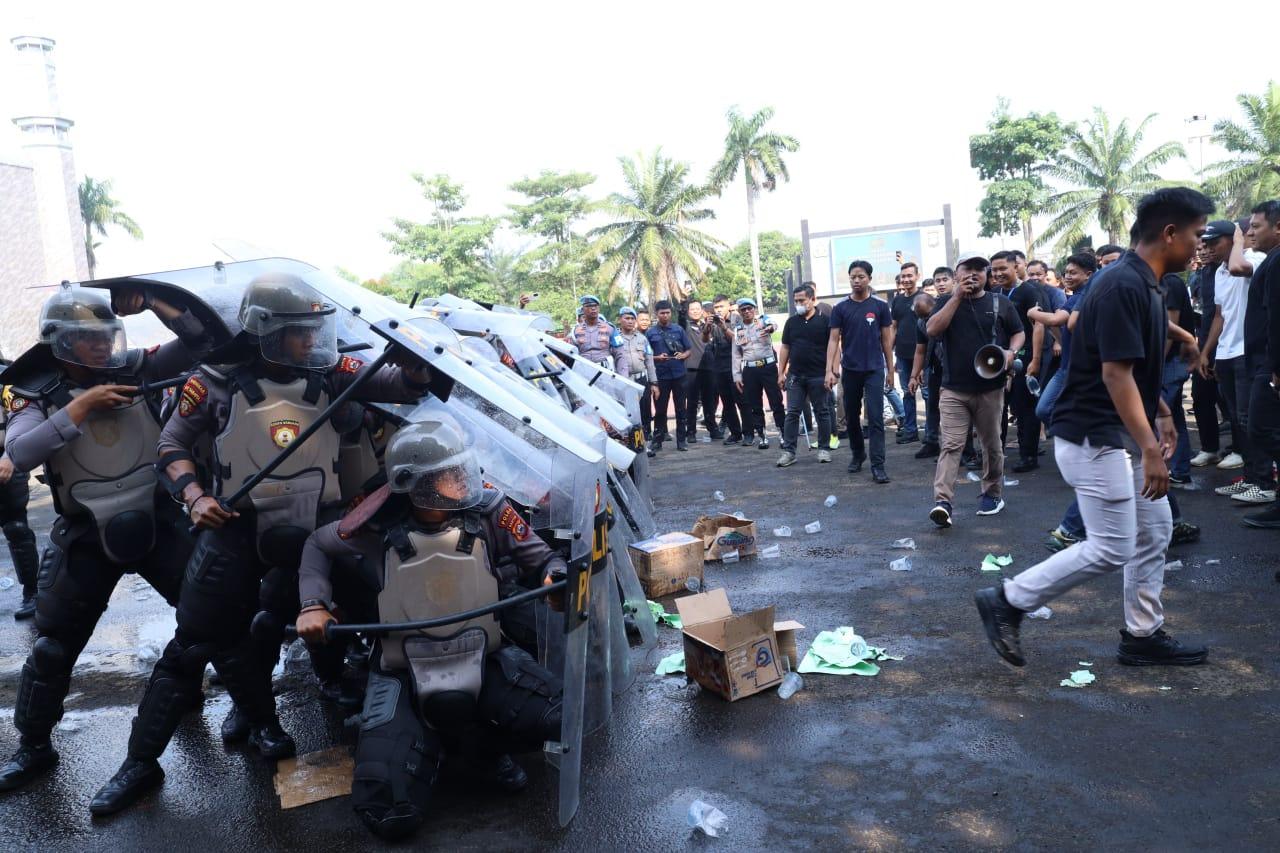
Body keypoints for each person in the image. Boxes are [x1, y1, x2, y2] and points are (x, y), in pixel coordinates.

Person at [90, 274, 435, 815]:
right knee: (194, 643)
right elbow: (172, 443)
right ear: (265, 331)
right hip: (236, 527)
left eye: (314, 330)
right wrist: (194, 495)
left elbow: (401, 384)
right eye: (300, 332)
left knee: (390, 611)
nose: (311, 341)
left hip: (321, 530)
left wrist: (418, 359)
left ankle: (434, 733)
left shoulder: (332, 369)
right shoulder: (214, 379)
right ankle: (142, 760)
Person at [975, 187, 1215, 668]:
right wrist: (1150, 446)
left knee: (1155, 529)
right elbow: (1115, 372)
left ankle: (1142, 635)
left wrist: (1166, 399)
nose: (1198, 245)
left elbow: (1123, 345)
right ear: (1169, 234)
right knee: (1111, 546)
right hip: (1092, 436)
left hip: (1112, 434)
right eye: (1195, 234)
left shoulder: (1142, 282)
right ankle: (1009, 599)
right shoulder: (1124, 283)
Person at [293, 420, 565, 840]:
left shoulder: (489, 510)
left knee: (557, 715)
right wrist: (313, 604)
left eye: (461, 469)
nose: (462, 479)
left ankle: (483, 751)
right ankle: (423, 750)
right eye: (448, 474)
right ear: (412, 484)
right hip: (402, 671)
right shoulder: (372, 527)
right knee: (389, 813)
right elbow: (317, 545)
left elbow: (544, 559)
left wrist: (554, 578)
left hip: (482, 655)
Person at [0, 284, 210, 791]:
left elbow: (200, 344)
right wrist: (82, 405)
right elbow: (20, 452)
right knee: (52, 650)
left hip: (157, 518)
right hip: (87, 531)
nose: (99, 346)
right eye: (85, 338)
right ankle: (33, 747)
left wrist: (156, 304)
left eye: (103, 335)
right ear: (60, 342)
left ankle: (178, 711)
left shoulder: (137, 368)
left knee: (207, 623)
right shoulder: (36, 390)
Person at [924, 254, 1023, 526]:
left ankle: (992, 494)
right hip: (953, 389)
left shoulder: (1000, 302)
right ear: (957, 274)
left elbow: (1018, 332)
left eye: (979, 269)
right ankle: (942, 502)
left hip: (990, 389)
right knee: (952, 445)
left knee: (992, 445)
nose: (973, 274)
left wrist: (1011, 352)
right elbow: (932, 330)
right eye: (967, 269)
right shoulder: (945, 302)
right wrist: (956, 297)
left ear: (987, 274)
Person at [1199, 220, 1269, 498]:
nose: (1209, 248)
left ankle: (1264, 483)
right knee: (1238, 422)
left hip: (1247, 353)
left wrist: (1240, 241)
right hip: (1226, 353)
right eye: (1207, 243)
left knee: (1251, 420)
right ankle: (1251, 478)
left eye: (1215, 242)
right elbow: (1220, 315)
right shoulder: (1218, 272)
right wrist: (1207, 352)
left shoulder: (1255, 258)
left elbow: (1239, 268)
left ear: (1233, 238)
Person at [827, 260, 894, 483]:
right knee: (851, 416)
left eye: (861, 277)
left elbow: (886, 339)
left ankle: (878, 465)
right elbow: (834, 340)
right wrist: (830, 370)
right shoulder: (840, 308)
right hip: (851, 370)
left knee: (875, 417)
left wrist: (890, 370)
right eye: (853, 277)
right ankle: (858, 454)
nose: (857, 281)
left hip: (875, 369)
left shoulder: (880, 306)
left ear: (869, 279)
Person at [1241, 199, 1280, 528]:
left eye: (1256, 226)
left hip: (1271, 364)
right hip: (1264, 360)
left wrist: (1276, 367)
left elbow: (1277, 319)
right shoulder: (1272, 260)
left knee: (1261, 428)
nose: (1249, 232)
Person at [992, 251, 1046, 473]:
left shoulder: (1029, 291)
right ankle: (996, 453)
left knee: (1024, 408)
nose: (998, 273)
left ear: (1016, 267)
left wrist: (1035, 360)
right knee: (996, 408)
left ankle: (1028, 456)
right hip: (998, 359)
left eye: (1003, 268)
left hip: (1024, 359)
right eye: (994, 270)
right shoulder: (994, 293)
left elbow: (1039, 325)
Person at [776, 284, 832, 467]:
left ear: (812, 300)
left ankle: (824, 449)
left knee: (822, 412)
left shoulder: (825, 321)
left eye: (802, 300)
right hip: (796, 376)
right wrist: (781, 373)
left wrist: (831, 371)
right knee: (792, 413)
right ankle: (789, 452)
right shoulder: (791, 322)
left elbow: (834, 347)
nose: (798, 304)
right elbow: (785, 347)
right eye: (796, 301)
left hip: (819, 375)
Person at [0, 382, 38, 621]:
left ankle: (33, 592)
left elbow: (21, 418)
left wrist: (10, 456)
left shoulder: (7, 383)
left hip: (6, 460)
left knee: (15, 527)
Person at [910, 266, 953, 458]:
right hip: (935, 368)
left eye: (927, 315)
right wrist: (914, 374)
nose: (926, 320)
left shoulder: (951, 309)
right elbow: (920, 349)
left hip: (955, 367)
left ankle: (961, 450)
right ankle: (931, 442)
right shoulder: (920, 322)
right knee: (932, 405)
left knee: (954, 409)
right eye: (921, 317)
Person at [732, 298, 782, 450]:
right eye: (743, 309)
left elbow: (774, 325)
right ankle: (762, 436)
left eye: (749, 308)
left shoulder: (763, 321)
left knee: (776, 402)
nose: (747, 311)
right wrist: (737, 376)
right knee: (755, 405)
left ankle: (783, 434)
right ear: (739, 312)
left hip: (768, 367)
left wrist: (769, 328)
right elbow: (736, 354)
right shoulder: (737, 329)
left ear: (754, 309)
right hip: (750, 370)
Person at [645, 300, 691, 454]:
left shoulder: (678, 330)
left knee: (680, 409)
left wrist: (682, 355)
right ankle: (657, 441)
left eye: (667, 313)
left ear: (671, 313)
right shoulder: (650, 333)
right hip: (661, 377)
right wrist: (657, 358)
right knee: (660, 410)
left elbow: (688, 350)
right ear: (656, 314)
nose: (665, 315)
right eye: (662, 313)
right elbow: (645, 355)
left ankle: (682, 441)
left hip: (679, 374)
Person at [705, 296, 746, 445]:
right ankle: (735, 433)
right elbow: (705, 340)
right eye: (716, 307)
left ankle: (748, 432)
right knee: (727, 403)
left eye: (721, 306)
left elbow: (741, 341)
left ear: (729, 306)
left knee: (741, 401)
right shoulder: (713, 321)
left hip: (735, 366)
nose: (719, 310)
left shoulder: (738, 319)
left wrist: (724, 327)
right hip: (719, 366)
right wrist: (707, 327)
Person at [889, 262, 922, 444]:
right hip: (902, 355)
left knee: (927, 394)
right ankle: (911, 430)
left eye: (910, 275)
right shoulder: (898, 300)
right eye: (904, 276)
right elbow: (894, 327)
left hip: (922, 356)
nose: (907, 279)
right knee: (907, 393)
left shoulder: (924, 298)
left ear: (917, 276)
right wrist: (890, 354)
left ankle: (933, 434)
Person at [615, 307, 657, 444]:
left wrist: (654, 383)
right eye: (627, 318)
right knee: (629, 412)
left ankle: (647, 442)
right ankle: (632, 442)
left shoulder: (642, 339)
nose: (630, 321)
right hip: (625, 381)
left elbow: (649, 362)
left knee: (645, 411)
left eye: (632, 318)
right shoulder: (614, 338)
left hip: (641, 379)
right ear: (620, 320)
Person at [681, 300, 719, 441]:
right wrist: (683, 301)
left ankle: (713, 429)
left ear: (702, 310)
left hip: (709, 368)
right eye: (692, 309)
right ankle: (690, 431)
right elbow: (680, 316)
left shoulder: (709, 325)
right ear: (688, 311)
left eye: (698, 308)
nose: (695, 311)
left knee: (710, 401)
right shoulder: (685, 326)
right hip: (691, 369)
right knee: (691, 402)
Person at [568, 295, 623, 369]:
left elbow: (620, 354)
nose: (593, 308)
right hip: (584, 370)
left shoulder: (610, 328)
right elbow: (571, 354)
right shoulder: (575, 330)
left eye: (595, 306)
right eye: (589, 306)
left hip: (606, 370)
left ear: (599, 308)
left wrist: (622, 377)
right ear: (583, 309)